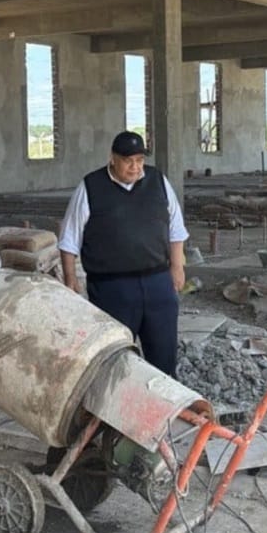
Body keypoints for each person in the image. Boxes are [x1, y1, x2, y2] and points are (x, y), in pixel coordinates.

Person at [58, 130, 189, 377]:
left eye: (139, 160)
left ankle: (162, 409)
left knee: (163, 356)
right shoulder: (91, 186)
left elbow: (176, 228)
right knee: (113, 359)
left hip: (157, 283)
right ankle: (113, 412)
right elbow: (69, 238)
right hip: (111, 288)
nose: (135, 167)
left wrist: (177, 267)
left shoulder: (158, 181)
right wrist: (70, 278)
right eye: (128, 161)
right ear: (113, 159)